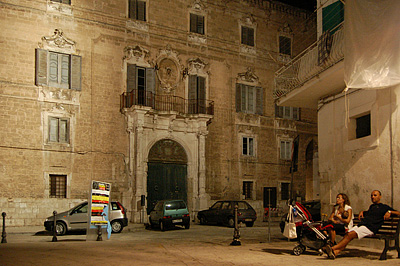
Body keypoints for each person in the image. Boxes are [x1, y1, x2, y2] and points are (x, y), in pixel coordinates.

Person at [324, 190, 400, 259]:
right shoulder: (372, 207)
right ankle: (335, 253)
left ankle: (332, 248)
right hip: (362, 225)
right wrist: (362, 212)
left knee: (350, 235)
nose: (372, 197)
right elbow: (368, 213)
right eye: (371, 195)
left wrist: (390, 212)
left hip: (370, 228)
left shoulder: (384, 207)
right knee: (348, 234)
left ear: (380, 197)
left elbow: (398, 213)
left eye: (375, 195)